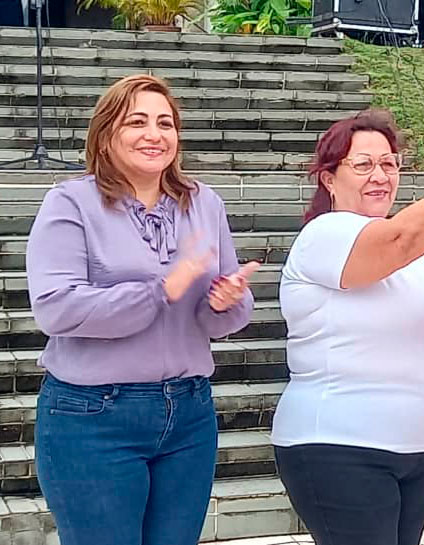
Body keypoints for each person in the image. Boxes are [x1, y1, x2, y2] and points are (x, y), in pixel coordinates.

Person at [271, 109, 424, 545]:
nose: (380, 175)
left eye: (389, 163)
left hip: (415, 449)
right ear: (329, 179)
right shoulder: (326, 236)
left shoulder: (418, 260)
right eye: (363, 164)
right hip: (339, 445)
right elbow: (400, 240)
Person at [26, 75, 257, 545]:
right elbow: (56, 308)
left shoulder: (204, 203)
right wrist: (160, 290)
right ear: (106, 134)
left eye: (165, 123)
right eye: (137, 122)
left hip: (188, 414)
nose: (155, 134)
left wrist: (225, 299)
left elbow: (220, 312)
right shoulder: (70, 204)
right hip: (93, 417)